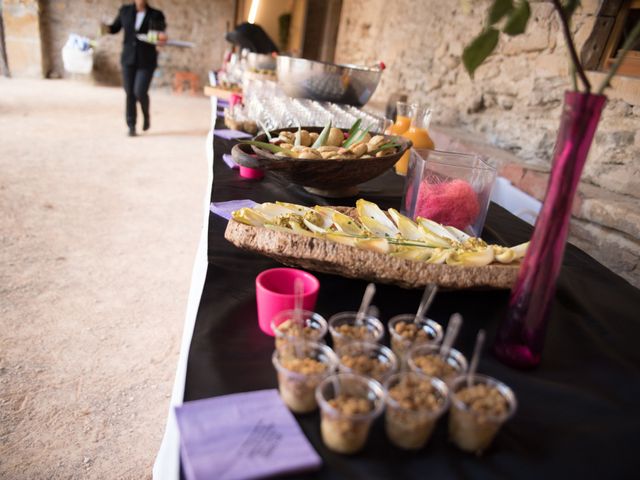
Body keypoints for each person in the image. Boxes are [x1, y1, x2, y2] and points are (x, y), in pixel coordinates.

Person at [101, 1, 166, 136]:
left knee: (140, 91)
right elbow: (115, 28)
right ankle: (131, 125)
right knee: (129, 92)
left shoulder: (156, 14)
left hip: (147, 59)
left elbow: (160, 35)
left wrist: (161, 40)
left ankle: (146, 115)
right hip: (128, 59)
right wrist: (105, 28)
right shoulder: (125, 11)